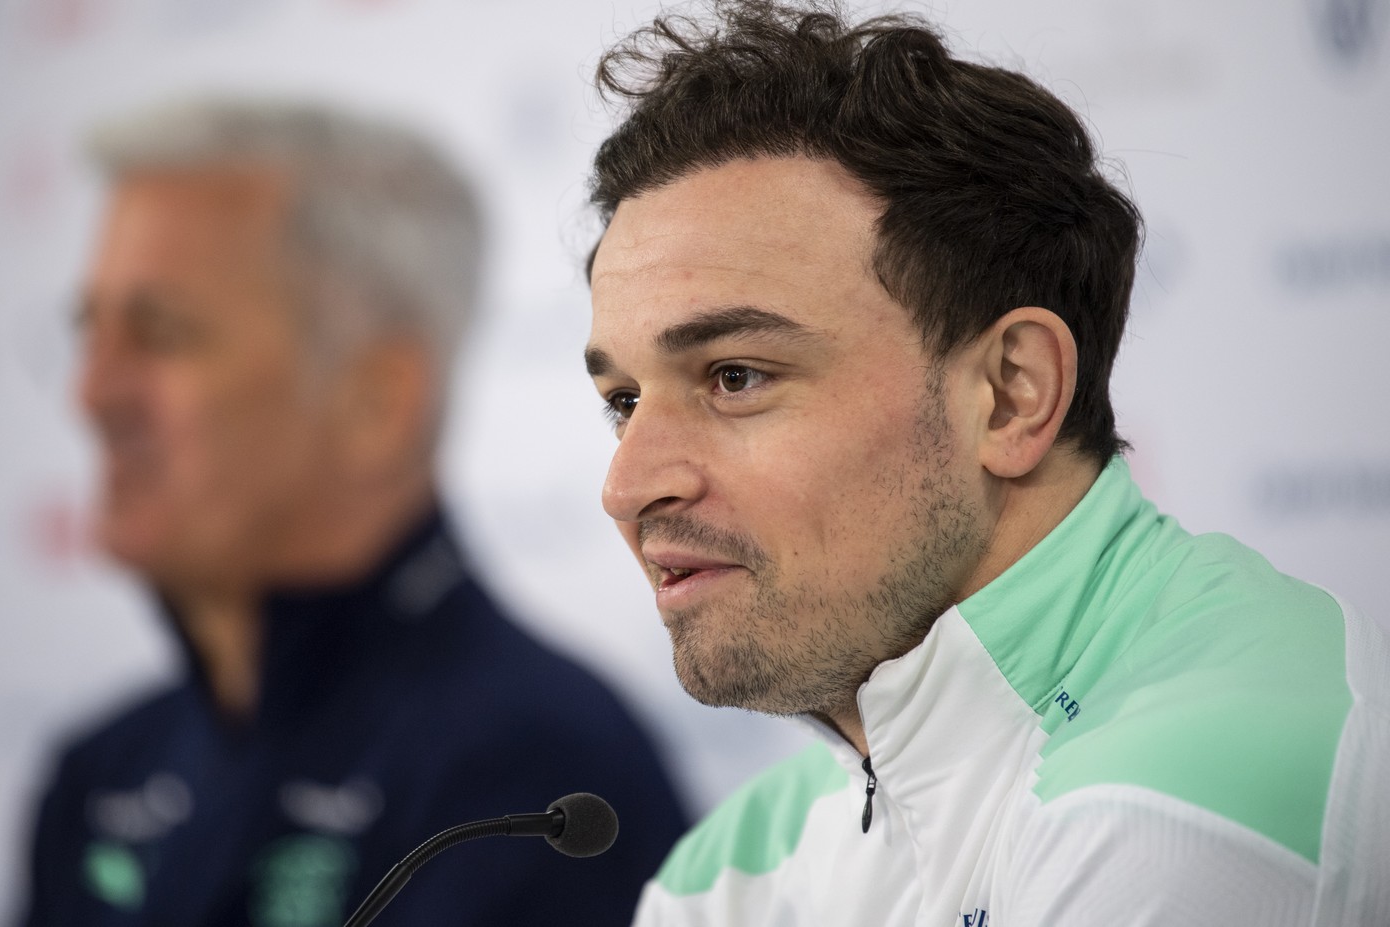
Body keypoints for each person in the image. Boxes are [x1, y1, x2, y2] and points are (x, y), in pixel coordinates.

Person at [580, 3, 1389, 925]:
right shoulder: (728, 871)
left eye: (735, 376)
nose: (629, 486)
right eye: (623, 402)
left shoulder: (1180, 804)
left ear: (1010, 395)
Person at [17, 99, 687, 927]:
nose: (91, 393)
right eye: (92, 329)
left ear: (378, 400)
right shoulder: (102, 770)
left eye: (159, 333)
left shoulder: (536, 780)